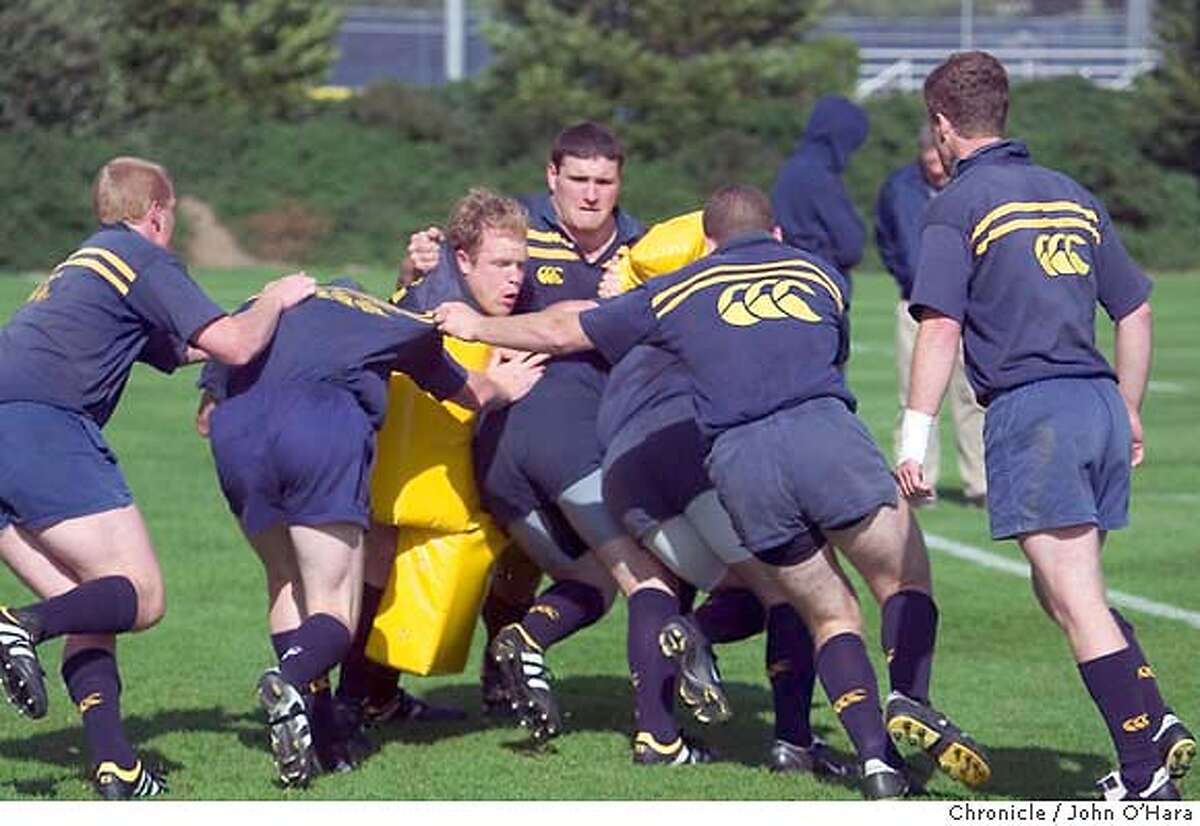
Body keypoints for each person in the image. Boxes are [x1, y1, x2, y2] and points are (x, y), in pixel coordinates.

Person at [434, 184, 989, 799]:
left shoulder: (666, 298)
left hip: (644, 467)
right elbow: (830, 352)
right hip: (767, 443)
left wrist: (479, 323)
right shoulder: (821, 273)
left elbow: (569, 328)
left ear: (712, 243)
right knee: (849, 595)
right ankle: (837, 733)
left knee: (667, 585)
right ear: (774, 235)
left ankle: (659, 731)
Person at [895, 50, 1194, 802]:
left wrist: (912, 437)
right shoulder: (1072, 194)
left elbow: (938, 328)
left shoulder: (956, 205)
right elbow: (1136, 309)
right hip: (1094, 404)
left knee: (1075, 596)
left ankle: (1143, 773)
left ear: (941, 126)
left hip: (1036, 413)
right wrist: (1126, 406)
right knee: (1062, 588)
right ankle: (1152, 719)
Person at [0, 156, 314, 799]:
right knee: (140, 595)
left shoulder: (87, 264)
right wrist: (279, 300)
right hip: (37, 425)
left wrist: (251, 317)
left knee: (89, 605)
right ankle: (16, 626)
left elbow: (187, 345)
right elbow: (233, 344)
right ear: (158, 214)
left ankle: (115, 765)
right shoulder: (140, 256)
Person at [196, 279, 543, 787]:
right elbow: (466, 392)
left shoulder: (261, 303)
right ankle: (288, 680)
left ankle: (318, 733)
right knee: (334, 603)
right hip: (318, 425)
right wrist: (505, 385)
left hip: (237, 434)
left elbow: (206, 414)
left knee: (286, 582)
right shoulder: (387, 319)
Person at [342, 189, 541, 730]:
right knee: (387, 557)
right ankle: (356, 697)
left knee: (410, 562)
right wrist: (498, 384)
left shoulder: (482, 308)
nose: (514, 278)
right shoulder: (435, 311)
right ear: (463, 259)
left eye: (520, 265)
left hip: (438, 476)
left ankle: (370, 697)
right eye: (501, 264)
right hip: (413, 470)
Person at [876, 124, 986, 507]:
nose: (937, 172)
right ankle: (918, 481)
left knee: (972, 394)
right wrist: (907, 275)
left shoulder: (971, 184)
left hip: (970, 303)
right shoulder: (899, 187)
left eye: (940, 166)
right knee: (916, 395)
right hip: (915, 301)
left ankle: (981, 485)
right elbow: (886, 237)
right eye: (930, 166)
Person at [771, 95, 869, 284]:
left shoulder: (791, 169)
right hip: (820, 281)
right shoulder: (820, 178)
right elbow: (850, 245)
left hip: (788, 278)